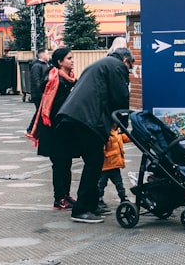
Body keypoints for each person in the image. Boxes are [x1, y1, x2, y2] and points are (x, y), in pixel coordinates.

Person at [55, 46, 133, 224]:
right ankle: (82, 209)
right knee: (94, 162)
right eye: (129, 67)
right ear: (125, 61)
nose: (128, 71)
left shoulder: (100, 64)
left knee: (95, 161)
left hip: (75, 117)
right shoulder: (116, 66)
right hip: (87, 120)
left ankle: (90, 204)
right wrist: (124, 123)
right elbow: (121, 96)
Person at [28, 47, 78, 211]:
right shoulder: (54, 78)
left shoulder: (70, 78)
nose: (72, 61)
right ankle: (59, 199)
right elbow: (54, 104)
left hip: (65, 129)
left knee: (67, 163)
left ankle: (66, 194)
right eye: (69, 58)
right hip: (53, 129)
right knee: (59, 164)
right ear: (60, 62)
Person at [96, 123, 130, 214]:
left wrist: (133, 135)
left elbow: (125, 138)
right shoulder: (105, 132)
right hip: (106, 164)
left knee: (119, 183)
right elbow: (101, 148)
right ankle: (98, 199)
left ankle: (123, 197)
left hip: (115, 164)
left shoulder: (117, 131)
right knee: (101, 183)